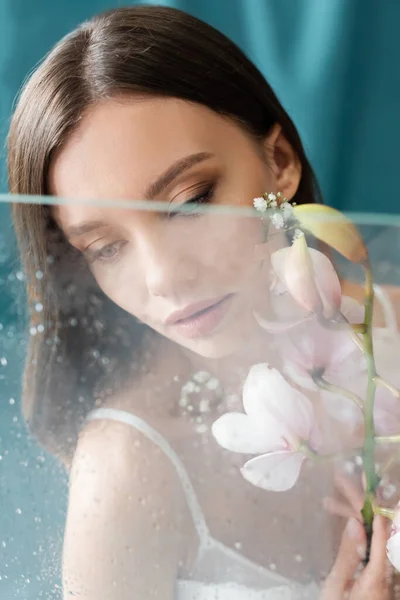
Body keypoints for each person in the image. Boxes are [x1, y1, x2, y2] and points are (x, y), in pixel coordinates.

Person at [7, 5, 393, 599]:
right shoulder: (127, 469)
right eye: (106, 247)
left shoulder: (389, 329)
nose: (164, 278)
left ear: (281, 163)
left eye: (189, 202)